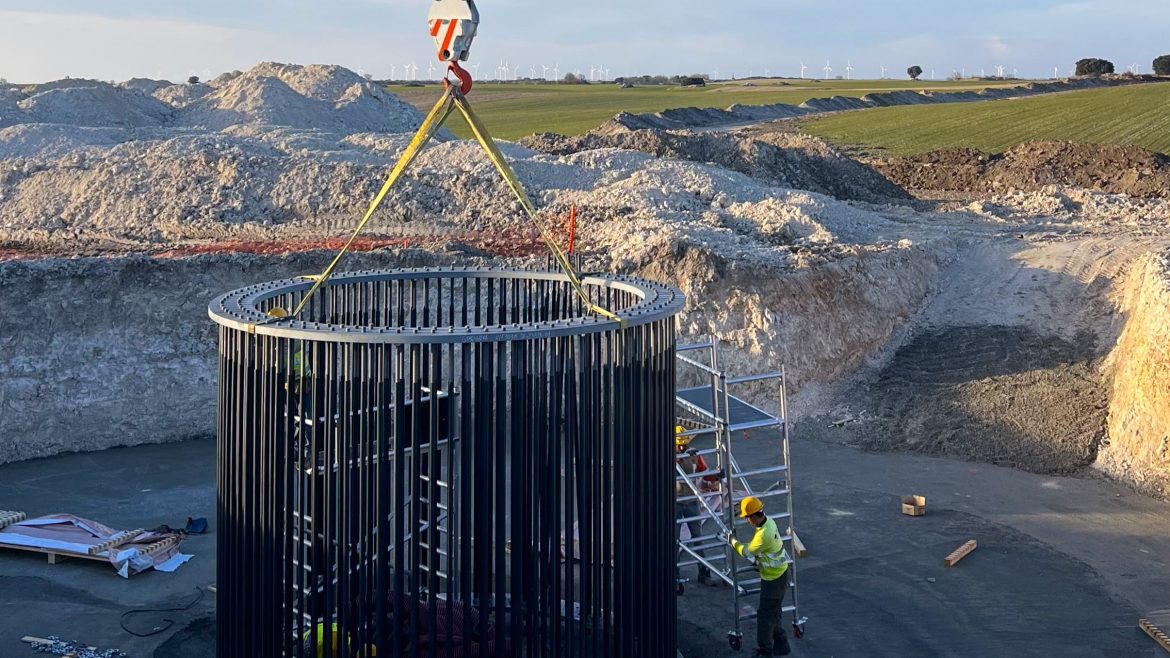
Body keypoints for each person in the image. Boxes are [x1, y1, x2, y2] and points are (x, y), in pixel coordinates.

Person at [728, 495, 791, 656]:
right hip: (780, 574)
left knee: (764, 616)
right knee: (773, 612)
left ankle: (765, 651)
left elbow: (746, 551)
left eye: (747, 517)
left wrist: (732, 541)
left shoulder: (763, 536)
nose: (747, 521)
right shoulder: (769, 522)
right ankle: (782, 644)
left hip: (773, 579)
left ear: (754, 516)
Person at [675, 426, 720, 587]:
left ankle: (704, 573)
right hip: (676, 504)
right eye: (678, 445)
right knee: (675, 541)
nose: (681, 447)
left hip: (692, 502)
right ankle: (675, 577)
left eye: (683, 445)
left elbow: (706, 474)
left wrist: (717, 476)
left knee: (698, 539)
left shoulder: (694, 456)